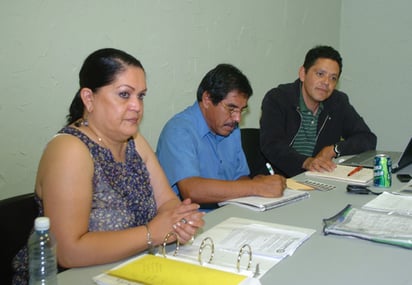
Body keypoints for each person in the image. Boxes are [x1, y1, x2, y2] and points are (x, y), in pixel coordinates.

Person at [12, 48, 205, 284]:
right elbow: (68, 251)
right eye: (125, 95)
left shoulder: (133, 140)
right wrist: (152, 233)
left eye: (141, 96)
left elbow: (167, 201)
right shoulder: (70, 150)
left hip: (133, 268)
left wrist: (177, 222)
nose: (136, 106)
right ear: (89, 98)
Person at [156, 63, 286, 210]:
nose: (237, 119)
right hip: (188, 223)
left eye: (241, 110)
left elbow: (240, 178)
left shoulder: (230, 128)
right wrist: (254, 187)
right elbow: (191, 190)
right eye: (231, 109)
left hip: (227, 215)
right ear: (207, 99)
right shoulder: (179, 130)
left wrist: (258, 185)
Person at [260, 45, 377, 178]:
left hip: (319, 179)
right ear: (303, 74)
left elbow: (367, 139)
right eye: (320, 74)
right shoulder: (278, 98)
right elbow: (272, 145)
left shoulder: (338, 102)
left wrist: (334, 150)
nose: (326, 82)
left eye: (333, 78)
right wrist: (306, 162)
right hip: (280, 180)